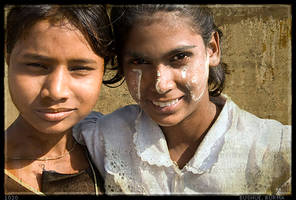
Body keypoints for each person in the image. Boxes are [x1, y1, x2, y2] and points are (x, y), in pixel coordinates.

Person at [73, 5, 291, 194]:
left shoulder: (274, 150)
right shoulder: (104, 137)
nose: (161, 84)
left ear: (212, 49)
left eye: (179, 57)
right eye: (139, 61)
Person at [4, 4, 118, 195]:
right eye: (36, 65)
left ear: (103, 70)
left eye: (79, 68)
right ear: (9, 61)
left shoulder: (117, 156)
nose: (56, 92)